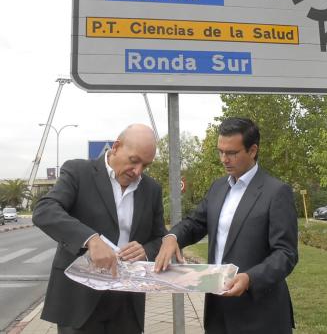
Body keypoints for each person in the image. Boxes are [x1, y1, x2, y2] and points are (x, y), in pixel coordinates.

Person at [155, 117, 298, 334]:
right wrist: (172, 237)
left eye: (231, 153)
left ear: (252, 150)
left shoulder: (276, 192)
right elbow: (195, 223)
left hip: (259, 314)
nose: (224, 159)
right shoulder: (218, 187)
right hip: (217, 312)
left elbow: (286, 254)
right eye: (220, 152)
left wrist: (250, 279)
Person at [32, 123, 166, 334]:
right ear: (116, 147)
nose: (138, 171)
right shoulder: (78, 172)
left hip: (127, 303)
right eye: (134, 160)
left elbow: (160, 238)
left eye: (145, 165)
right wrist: (90, 239)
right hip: (79, 300)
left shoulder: (152, 189)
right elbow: (45, 210)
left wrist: (146, 250)